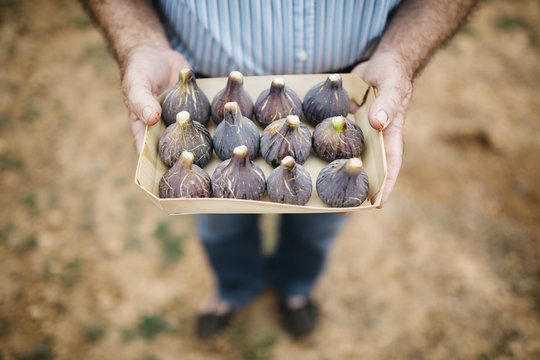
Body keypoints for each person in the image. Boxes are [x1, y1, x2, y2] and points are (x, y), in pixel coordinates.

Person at [82, 0, 478, 339]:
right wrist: (141, 44)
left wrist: (400, 55)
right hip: (197, 83)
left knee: (322, 222)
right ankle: (235, 288)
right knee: (219, 223)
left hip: (348, 90)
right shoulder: (216, 117)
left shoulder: (328, 135)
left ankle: (297, 286)